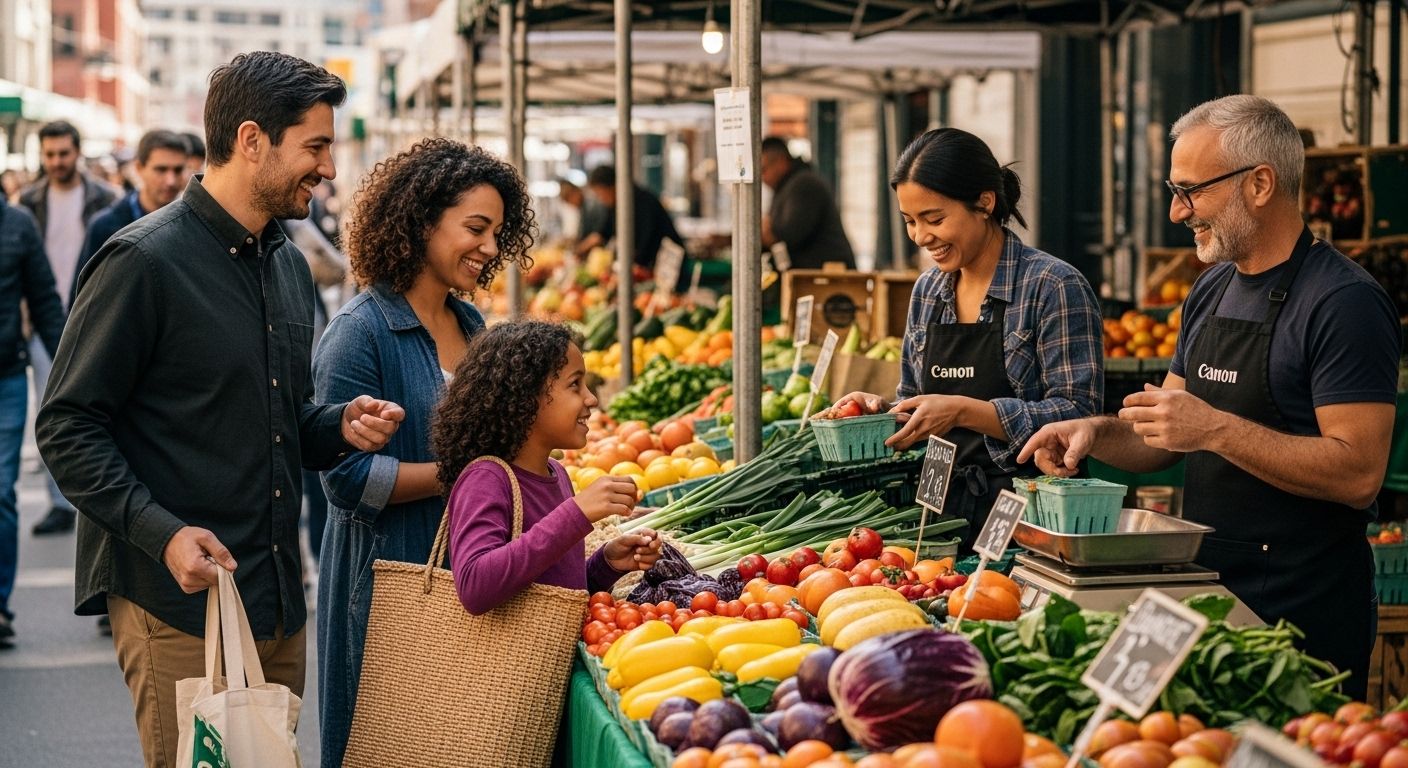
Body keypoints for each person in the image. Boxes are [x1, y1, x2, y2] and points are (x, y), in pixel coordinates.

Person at [36, 52, 406, 768]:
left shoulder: (288, 263)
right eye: (316, 147)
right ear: (251, 140)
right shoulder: (143, 262)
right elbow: (67, 423)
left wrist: (337, 426)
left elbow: (280, 418)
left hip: (273, 598)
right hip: (177, 602)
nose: (329, 169)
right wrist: (165, 533)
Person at [1019, 95, 1399, 699]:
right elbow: (1165, 432)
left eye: (1191, 191)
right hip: (1211, 592)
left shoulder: (1344, 303)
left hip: (1301, 616)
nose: (1176, 211)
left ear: (1260, 184)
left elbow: (1359, 474)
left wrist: (1216, 429)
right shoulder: (1211, 289)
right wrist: (1095, 432)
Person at [312, 137, 538, 768]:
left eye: (497, 232)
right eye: (475, 228)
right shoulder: (360, 332)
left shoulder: (471, 327)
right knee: (387, 745)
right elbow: (346, 479)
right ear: (420, 223)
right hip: (388, 581)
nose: (490, 248)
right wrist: (466, 477)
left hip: (467, 574)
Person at [832, 128, 1103, 552]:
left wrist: (963, 411)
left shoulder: (1052, 285)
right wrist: (877, 412)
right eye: (910, 222)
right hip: (938, 506)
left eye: (934, 219)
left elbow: (1078, 414)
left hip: (1026, 510)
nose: (921, 236)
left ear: (985, 203)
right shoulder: (928, 291)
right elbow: (915, 401)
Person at [431, 318, 661, 622]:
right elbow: (475, 588)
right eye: (575, 384)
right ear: (525, 398)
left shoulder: (557, 475)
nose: (591, 398)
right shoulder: (486, 479)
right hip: (509, 668)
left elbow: (555, 592)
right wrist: (575, 514)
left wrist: (607, 564)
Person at [17, 120, 119, 536]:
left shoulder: (103, 200)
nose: (57, 162)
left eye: (63, 153)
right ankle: (61, 500)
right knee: (51, 409)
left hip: (90, 314)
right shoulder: (29, 201)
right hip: (42, 320)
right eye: (49, 154)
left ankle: (99, 492)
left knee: (101, 406)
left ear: (77, 152)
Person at [0, 193, 66, 648]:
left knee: (1, 492)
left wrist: (71, 369)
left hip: (4, 378)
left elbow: (44, 302)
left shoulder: (18, 225)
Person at [72, 130, 191, 299]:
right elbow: (82, 299)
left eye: (178, 170)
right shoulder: (105, 227)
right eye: (161, 170)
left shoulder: (193, 227)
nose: (170, 180)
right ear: (139, 168)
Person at [760, 136, 855, 270]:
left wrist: (770, 234)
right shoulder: (786, 187)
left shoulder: (803, 185)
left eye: (764, 170)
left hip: (827, 276)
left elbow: (790, 234)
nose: (762, 178)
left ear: (781, 162)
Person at [579, 164, 683, 272]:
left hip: (667, 265)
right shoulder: (616, 206)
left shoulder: (642, 201)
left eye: (600, 194)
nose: (601, 199)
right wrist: (578, 250)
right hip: (647, 266)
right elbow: (602, 233)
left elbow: (646, 241)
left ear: (613, 186)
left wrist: (631, 269)